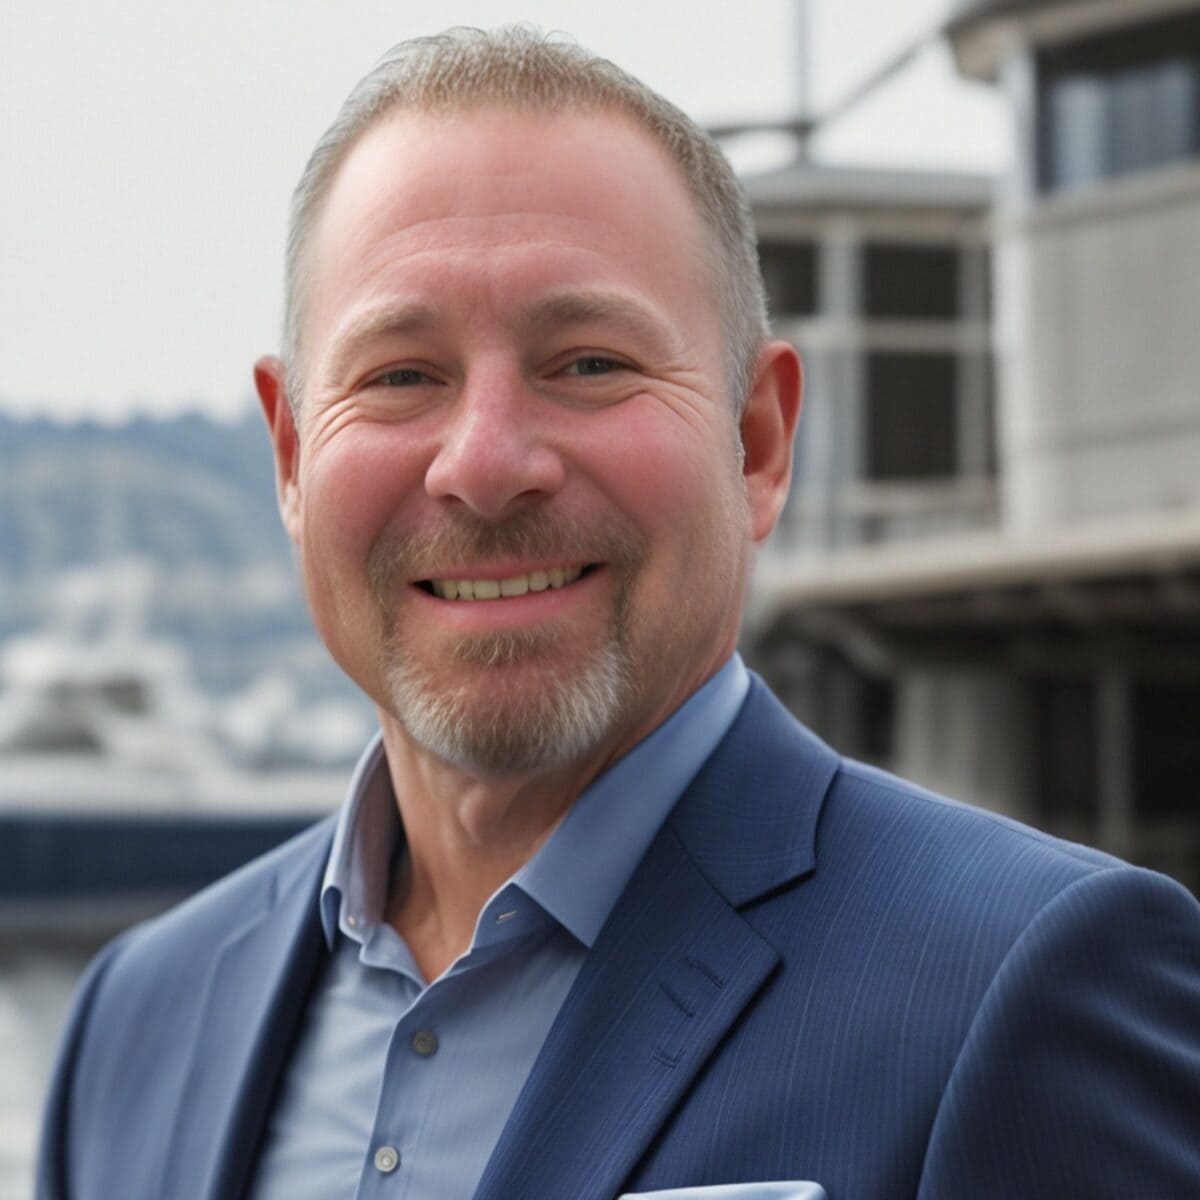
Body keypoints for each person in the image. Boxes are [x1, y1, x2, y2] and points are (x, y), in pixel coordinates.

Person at [37, 26, 1200, 1200]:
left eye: (588, 363)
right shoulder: (137, 1024)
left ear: (755, 442)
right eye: (401, 376)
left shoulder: (1028, 984)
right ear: (292, 457)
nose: (485, 465)